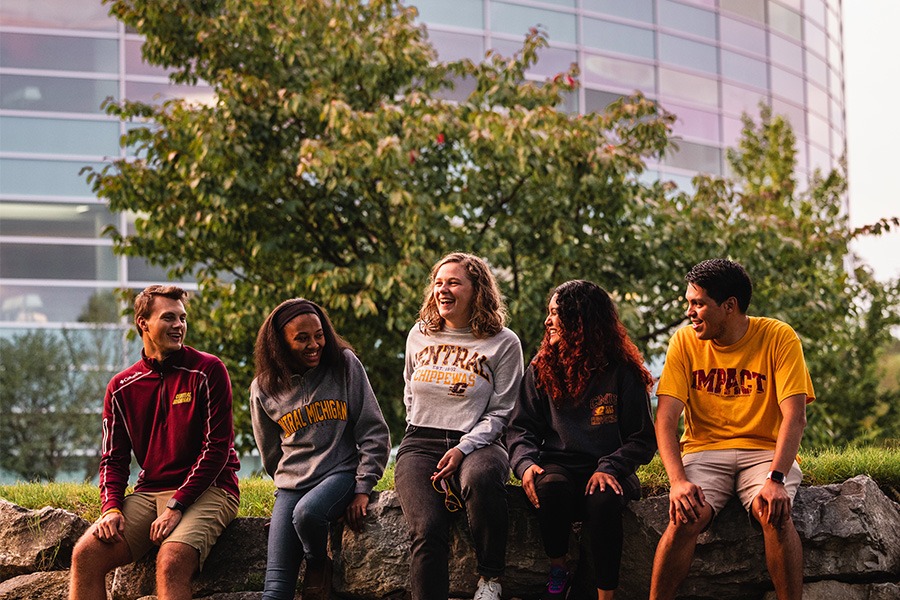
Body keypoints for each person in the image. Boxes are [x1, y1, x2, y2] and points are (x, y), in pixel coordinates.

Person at [649, 259, 815, 600]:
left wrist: (776, 479)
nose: (690, 313)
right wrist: (678, 482)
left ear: (729, 306)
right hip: (704, 451)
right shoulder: (684, 342)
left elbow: (795, 416)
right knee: (684, 517)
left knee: (775, 515)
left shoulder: (779, 337)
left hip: (765, 453)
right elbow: (665, 419)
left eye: (698, 304)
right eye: (689, 303)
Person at [69, 285, 241, 600]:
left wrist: (177, 505)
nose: (179, 325)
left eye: (182, 318)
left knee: (171, 560)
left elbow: (217, 449)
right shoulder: (120, 387)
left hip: (211, 489)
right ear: (143, 323)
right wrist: (110, 508)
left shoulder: (208, 370)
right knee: (86, 555)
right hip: (150, 492)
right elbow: (113, 459)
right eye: (169, 318)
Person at [507, 280, 657, 600]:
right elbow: (520, 428)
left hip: (610, 469)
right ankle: (558, 570)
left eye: (555, 314)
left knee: (603, 499)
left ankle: (606, 595)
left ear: (580, 319)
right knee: (550, 486)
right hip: (560, 466)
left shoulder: (622, 371)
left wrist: (610, 467)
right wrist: (525, 464)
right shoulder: (542, 367)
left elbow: (643, 439)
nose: (547, 321)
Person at [394, 252, 524, 600]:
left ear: (477, 290)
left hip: (481, 441)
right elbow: (409, 389)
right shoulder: (419, 334)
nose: (442, 290)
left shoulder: (504, 342)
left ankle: (490, 578)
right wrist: (426, 424)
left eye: (453, 283)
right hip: (421, 441)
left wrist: (463, 447)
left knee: (481, 478)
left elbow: (503, 411)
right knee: (427, 527)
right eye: (438, 283)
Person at [250, 298, 391, 600]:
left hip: (339, 473)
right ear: (280, 344)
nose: (314, 345)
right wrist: (284, 489)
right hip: (292, 486)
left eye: (318, 335)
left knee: (308, 513)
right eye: (302, 338)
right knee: (274, 591)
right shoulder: (263, 388)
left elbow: (374, 431)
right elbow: (270, 452)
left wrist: (363, 487)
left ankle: (317, 563)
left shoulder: (344, 365)